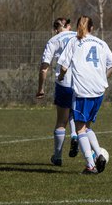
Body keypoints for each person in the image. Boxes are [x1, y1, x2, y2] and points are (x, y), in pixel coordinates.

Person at [57, 15, 112, 174]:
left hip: (83, 90)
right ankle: (99, 155)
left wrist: (61, 78)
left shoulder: (74, 42)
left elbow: (63, 67)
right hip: (99, 91)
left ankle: (91, 166)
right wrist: (103, 77)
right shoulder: (101, 43)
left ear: (78, 27)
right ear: (92, 28)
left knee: (79, 130)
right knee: (86, 127)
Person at [36, 17, 79, 166]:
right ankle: (75, 135)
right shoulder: (80, 35)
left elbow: (44, 67)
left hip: (64, 81)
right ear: (69, 25)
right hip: (82, 81)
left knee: (61, 120)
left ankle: (58, 157)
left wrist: (41, 88)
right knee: (76, 113)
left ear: (55, 29)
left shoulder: (54, 40)